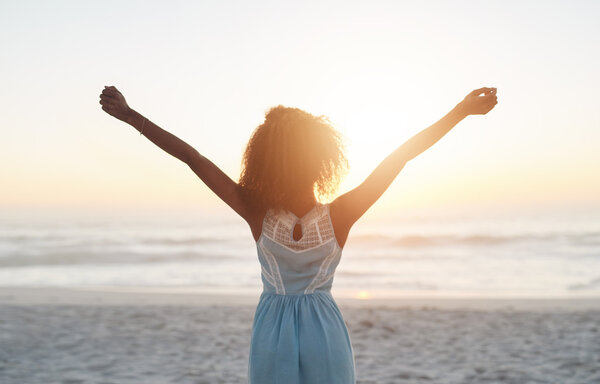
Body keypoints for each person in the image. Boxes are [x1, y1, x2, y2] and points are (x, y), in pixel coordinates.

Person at [99, 85, 498, 383]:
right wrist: (459, 112)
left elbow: (193, 159)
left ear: (265, 160)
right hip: (324, 331)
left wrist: (133, 117)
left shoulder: (254, 209)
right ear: (319, 160)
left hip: (272, 330)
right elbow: (401, 157)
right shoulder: (341, 213)